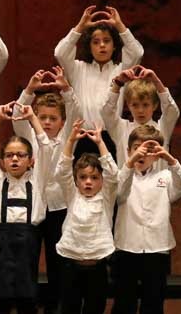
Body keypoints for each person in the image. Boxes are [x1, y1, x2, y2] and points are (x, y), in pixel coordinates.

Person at [10, 67, 81, 314]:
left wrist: (66, 89)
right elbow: (17, 113)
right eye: (43, 118)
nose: (48, 122)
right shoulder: (29, 134)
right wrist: (29, 90)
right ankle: (26, 307)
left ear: (62, 121)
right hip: (33, 207)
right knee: (27, 260)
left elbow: (75, 111)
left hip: (60, 207)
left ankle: (55, 307)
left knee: (58, 262)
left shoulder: (68, 135)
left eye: (53, 118)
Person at [0, 104, 58, 314]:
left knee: (27, 298)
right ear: (2, 161)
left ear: (31, 161)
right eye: (9, 155)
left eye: (20, 155)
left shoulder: (38, 180)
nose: (14, 159)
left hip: (28, 242)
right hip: (1, 241)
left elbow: (46, 148)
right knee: (1, 298)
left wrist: (33, 118)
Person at [111, 126, 181, 314]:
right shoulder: (120, 176)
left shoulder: (165, 177)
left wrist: (170, 159)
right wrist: (130, 162)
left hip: (158, 249)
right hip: (126, 248)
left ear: (156, 155)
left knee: (154, 303)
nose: (142, 154)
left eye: (148, 151)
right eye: (137, 148)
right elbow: (118, 192)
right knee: (124, 303)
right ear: (128, 150)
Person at [55, 121, 118, 314]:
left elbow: (113, 174)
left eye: (94, 177)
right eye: (83, 177)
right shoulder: (72, 195)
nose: (88, 182)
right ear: (76, 180)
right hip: (71, 267)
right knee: (68, 309)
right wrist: (71, 140)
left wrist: (100, 143)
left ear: (101, 180)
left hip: (97, 269)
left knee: (94, 309)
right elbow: (62, 170)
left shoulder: (106, 196)